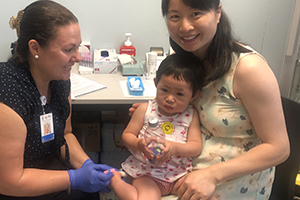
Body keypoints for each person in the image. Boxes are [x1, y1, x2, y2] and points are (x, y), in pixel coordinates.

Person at [129, 0, 290, 199]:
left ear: (217, 12)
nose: (185, 26)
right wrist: (159, 112)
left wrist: (212, 175)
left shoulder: (248, 69)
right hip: (181, 174)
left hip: (228, 183)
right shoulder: (186, 58)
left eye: (196, 13)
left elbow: (279, 148)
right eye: (175, 16)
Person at [0, 1, 116, 199]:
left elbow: (66, 134)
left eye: (78, 47)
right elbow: (10, 182)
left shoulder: (60, 80)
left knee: (89, 194)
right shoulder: (9, 94)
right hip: (17, 187)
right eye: (68, 49)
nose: (78, 57)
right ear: (35, 48)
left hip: (51, 171)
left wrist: (88, 166)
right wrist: (74, 178)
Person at [109, 53, 217, 200]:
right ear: (156, 83)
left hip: (178, 175)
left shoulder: (191, 115)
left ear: (193, 95)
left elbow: (196, 147)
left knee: (209, 197)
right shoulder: (145, 110)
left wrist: (175, 148)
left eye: (179, 94)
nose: (170, 99)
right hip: (147, 174)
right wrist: (139, 144)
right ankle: (115, 181)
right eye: (165, 90)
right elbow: (127, 136)